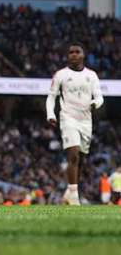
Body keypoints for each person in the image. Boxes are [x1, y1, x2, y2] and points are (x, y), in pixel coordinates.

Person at [46, 43, 103, 206]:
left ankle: (68, 192)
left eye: (77, 52)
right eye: (71, 52)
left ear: (83, 55)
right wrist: (51, 114)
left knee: (81, 159)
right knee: (73, 154)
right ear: (67, 56)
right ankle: (74, 196)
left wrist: (94, 104)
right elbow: (51, 97)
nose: (74, 55)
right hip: (68, 118)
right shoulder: (61, 75)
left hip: (85, 120)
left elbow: (99, 97)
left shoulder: (91, 75)